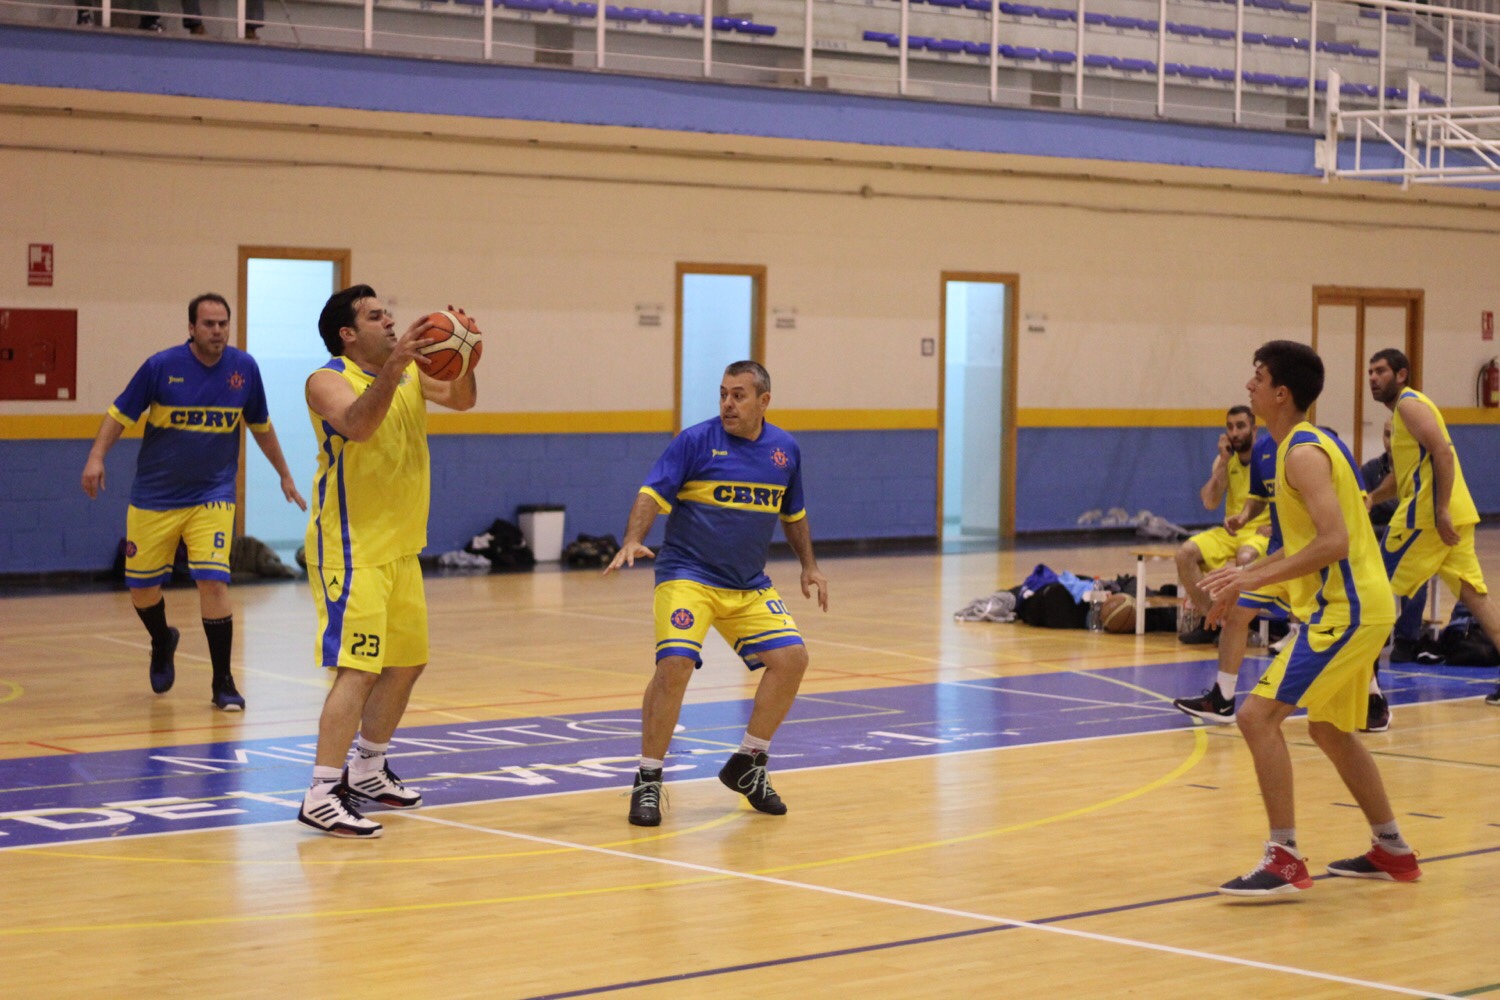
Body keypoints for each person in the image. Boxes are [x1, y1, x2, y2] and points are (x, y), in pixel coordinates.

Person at [1203, 340, 1418, 896]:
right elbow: (1299, 545)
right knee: (1328, 729)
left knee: (1255, 718)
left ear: (1281, 393)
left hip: (1349, 609)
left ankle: (1284, 858)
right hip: (1353, 606)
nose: (1248, 385)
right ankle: (1393, 849)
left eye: (1257, 377)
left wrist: (1251, 581)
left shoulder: (1302, 453)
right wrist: (1242, 576)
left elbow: (1334, 542)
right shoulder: (1297, 448)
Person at [604, 361, 828, 827]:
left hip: (747, 583)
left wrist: (809, 565)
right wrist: (632, 538)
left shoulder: (785, 450)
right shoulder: (695, 441)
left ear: (764, 401)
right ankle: (648, 779)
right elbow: (651, 493)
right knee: (675, 665)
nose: (728, 403)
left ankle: (749, 762)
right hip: (688, 575)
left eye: (739, 395)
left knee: (792, 659)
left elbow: (794, 513)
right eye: (724, 394)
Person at [295, 287, 477, 839]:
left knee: (405, 664)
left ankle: (368, 769)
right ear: (348, 334)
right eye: (375, 316)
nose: (390, 321)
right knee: (358, 669)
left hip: (401, 547)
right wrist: (395, 367)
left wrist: (466, 355)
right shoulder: (326, 380)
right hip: (351, 549)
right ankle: (321, 793)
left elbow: (462, 399)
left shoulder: (412, 372)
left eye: (388, 313)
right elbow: (358, 425)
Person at [81, 293, 306, 711]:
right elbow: (118, 414)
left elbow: (260, 425)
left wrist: (285, 474)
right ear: (191, 328)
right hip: (155, 496)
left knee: (213, 581)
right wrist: (96, 457)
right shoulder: (160, 367)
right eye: (208, 324)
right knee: (142, 589)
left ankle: (223, 682)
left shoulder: (244, 369)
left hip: (212, 495)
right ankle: (162, 639)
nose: (217, 331)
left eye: (223, 324)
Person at [1366, 348, 1500, 705]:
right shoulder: (1403, 414)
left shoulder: (1409, 405)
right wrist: (1372, 498)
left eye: (1380, 371)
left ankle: (1367, 687)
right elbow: (1402, 477)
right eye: (1370, 372)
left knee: (1374, 589)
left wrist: (1440, 510)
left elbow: (1444, 453)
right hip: (1455, 514)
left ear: (1401, 375)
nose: (1373, 378)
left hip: (1426, 518)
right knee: (1475, 597)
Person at [1176, 406, 1273, 644]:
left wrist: (1276, 528)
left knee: (1246, 557)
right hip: (1231, 531)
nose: (1235, 433)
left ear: (1254, 429)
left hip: (1260, 533)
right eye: (1230, 427)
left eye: (1240, 426)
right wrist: (1223, 463)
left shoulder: (1267, 458)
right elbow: (1209, 502)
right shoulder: (1225, 461)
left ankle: (1240, 625)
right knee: (1184, 554)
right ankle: (1212, 621)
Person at [1361, 417, 1427, 663]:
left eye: (1395, 435)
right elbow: (1362, 507)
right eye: (1387, 435)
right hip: (1375, 536)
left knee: (1416, 576)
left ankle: (1406, 639)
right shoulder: (1369, 470)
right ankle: (1369, 635)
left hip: (1412, 535)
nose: (1390, 442)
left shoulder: (1418, 469)